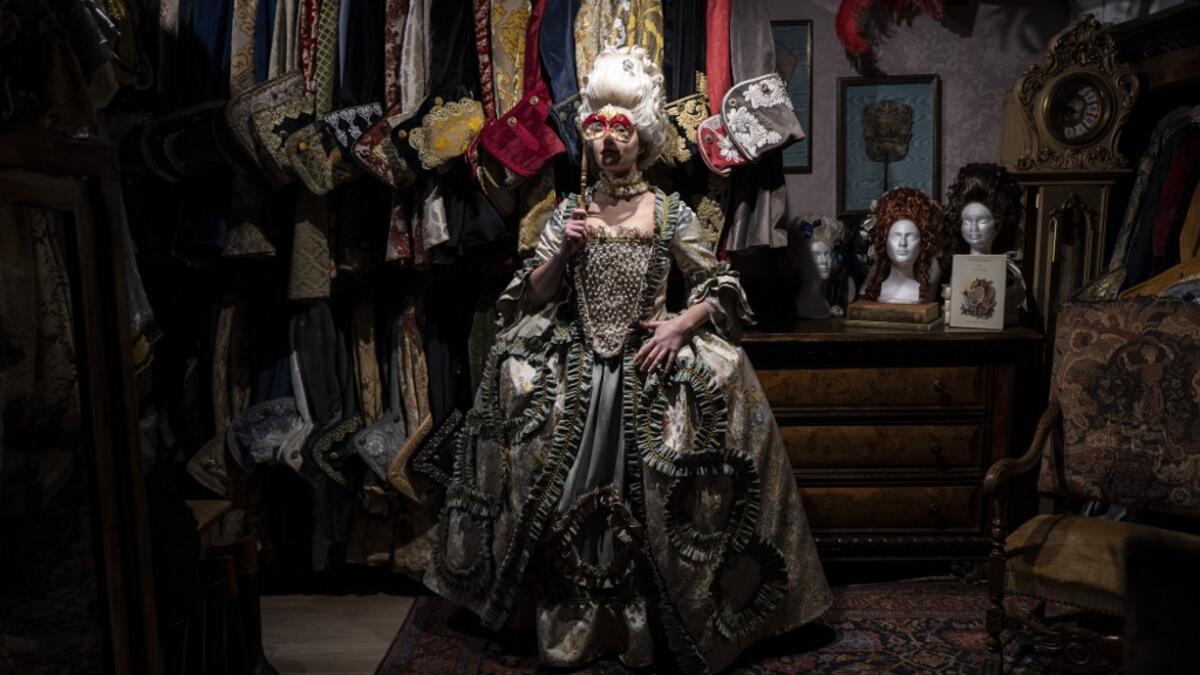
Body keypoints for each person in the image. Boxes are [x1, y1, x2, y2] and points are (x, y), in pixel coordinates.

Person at [424, 46, 830, 673]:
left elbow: (719, 284)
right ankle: (581, 620)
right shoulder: (570, 213)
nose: (608, 142)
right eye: (596, 128)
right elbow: (531, 294)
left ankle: (661, 627)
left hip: (650, 368)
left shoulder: (670, 212)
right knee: (549, 477)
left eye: (621, 129)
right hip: (579, 370)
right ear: (585, 134)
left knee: (670, 492)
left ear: (641, 136)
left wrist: (678, 324)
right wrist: (563, 252)